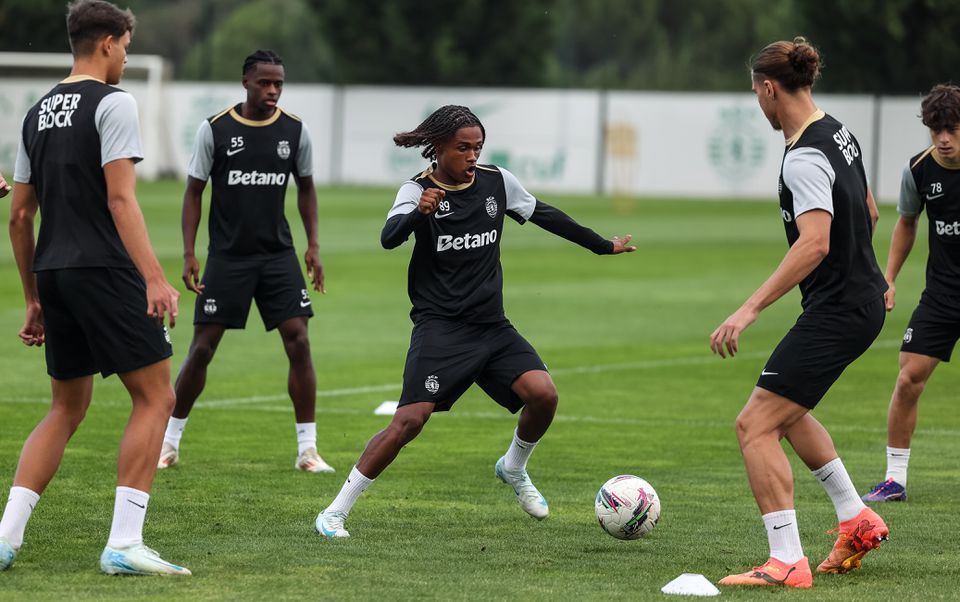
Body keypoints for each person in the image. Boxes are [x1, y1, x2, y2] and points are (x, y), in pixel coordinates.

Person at [314, 105, 636, 538]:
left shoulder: (496, 181)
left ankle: (513, 467)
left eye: (477, 147)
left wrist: (601, 246)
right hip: (441, 328)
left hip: (491, 326)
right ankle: (334, 511)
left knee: (543, 394)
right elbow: (388, 238)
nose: (471, 156)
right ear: (439, 148)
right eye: (462, 148)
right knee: (409, 422)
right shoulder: (416, 190)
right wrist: (419, 214)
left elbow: (544, 213)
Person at [1, 0, 189, 575]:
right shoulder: (114, 103)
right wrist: (155, 278)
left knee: (65, 406)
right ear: (107, 42)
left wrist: (33, 297)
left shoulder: (36, 113)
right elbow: (120, 198)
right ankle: (125, 544)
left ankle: (6, 539)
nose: (127, 58)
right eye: (127, 46)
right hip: (104, 271)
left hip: (54, 273)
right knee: (157, 396)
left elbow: (18, 216)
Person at [710, 38, 889, 589]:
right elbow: (870, 210)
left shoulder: (806, 153)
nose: (759, 105)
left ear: (769, 87)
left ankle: (786, 560)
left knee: (754, 425)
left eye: (756, 94)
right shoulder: (836, 129)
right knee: (785, 411)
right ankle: (857, 517)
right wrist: (864, 272)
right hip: (855, 302)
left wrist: (749, 308)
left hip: (838, 309)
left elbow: (813, 243)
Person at [157, 50, 334, 474]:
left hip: (277, 257)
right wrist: (188, 252)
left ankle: (308, 451)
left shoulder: (293, 131)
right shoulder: (215, 129)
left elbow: (306, 189)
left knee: (300, 341)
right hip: (228, 258)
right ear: (246, 83)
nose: (272, 91)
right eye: (264, 83)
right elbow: (194, 192)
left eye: (278, 84)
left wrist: (313, 245)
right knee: (201, 349)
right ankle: (168, 443)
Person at [862, 84, 960, 503]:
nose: (944, 138)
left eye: (952, 129)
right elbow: (906, 223)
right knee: (907, 380)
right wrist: (890, 276)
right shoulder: (918, 171)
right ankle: (895, 479)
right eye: (936, 129)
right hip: (942, 295)